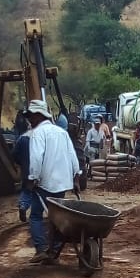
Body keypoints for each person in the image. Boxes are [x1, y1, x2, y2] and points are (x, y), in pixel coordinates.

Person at [25, 99, 81, 263]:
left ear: (38, 115)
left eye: (31, 116)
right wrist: (76, 177)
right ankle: (54, 252)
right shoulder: (61, 132)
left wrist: (33, 178)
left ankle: (41, 249)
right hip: (61, 184)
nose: (29, 120)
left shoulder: (38, 133)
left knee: (35, 215)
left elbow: (36, 158)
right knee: (56, 217)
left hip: (45, 183)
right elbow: (72, 156)